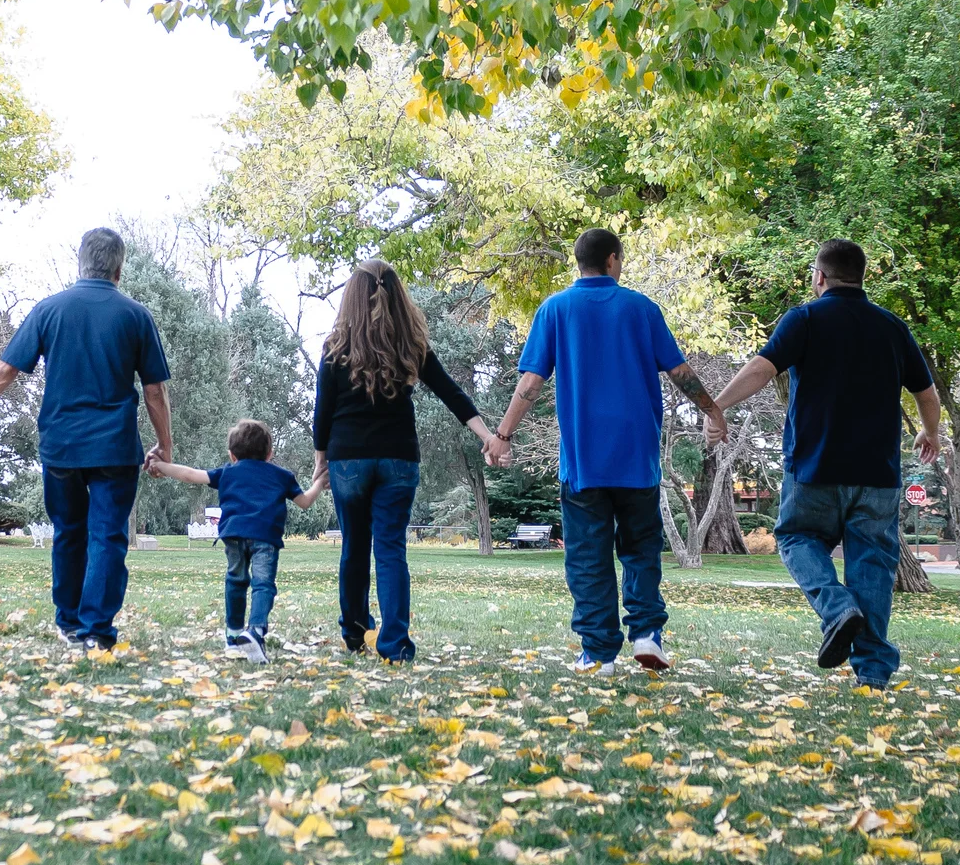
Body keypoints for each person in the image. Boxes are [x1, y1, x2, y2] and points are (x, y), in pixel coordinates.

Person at [711, 238, 944, 689]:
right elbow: (927, 395)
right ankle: (873, 675)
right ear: (862, 276)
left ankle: (838, 608)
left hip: (813, 468)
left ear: (820, 276)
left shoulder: (805, 319)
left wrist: (716, 406)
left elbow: (763, 369)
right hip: (877, 474)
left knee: (795, 537)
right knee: (873, 565)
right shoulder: (892, 328)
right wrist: (929, 432)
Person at [493, 228, 724, 674]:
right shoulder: (641, 309)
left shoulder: (555, 309)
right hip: (637, 457)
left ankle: (598, 651)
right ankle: (646, 634)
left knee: (587, 557)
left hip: (583, 461)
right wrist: (713, 411)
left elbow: (531, 383)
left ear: (578, 262)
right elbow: (679, 371)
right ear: (613, 260)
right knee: (640, 549)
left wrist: (502, 435)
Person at [0, 228, 174, 652]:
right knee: (108, 535)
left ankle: (69, 623)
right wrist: (164, 446)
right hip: (114, 447)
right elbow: (154, 392)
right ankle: (97, 630)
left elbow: (5, 371)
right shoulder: (136, 315)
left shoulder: (49, 310)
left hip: (61, 445)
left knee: (69, 533)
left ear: (81, 262)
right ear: (119, 267)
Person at [311, 259, 507, 662]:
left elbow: (322, 411)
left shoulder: (336, 347)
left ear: (351, 298)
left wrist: (320, 461)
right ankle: (395, 645)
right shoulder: (411, 347)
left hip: (348, 460)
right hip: (399, 459)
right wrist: (488, 436)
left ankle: (354, 633)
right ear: (399, 296)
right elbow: (453, 394)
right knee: (390, 550)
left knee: (354, 548)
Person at [146, 419, 326, 662]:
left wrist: (162, 465)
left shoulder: (227, 472)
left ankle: (233, 637)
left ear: (232, 454)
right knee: (263, 584)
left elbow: (190, 475)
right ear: (270, 453)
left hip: (234, 534)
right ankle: (256, 630)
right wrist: (318, 484)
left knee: (236, 581)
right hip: (265, 536)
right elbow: (304, 502)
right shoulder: (282, 476)